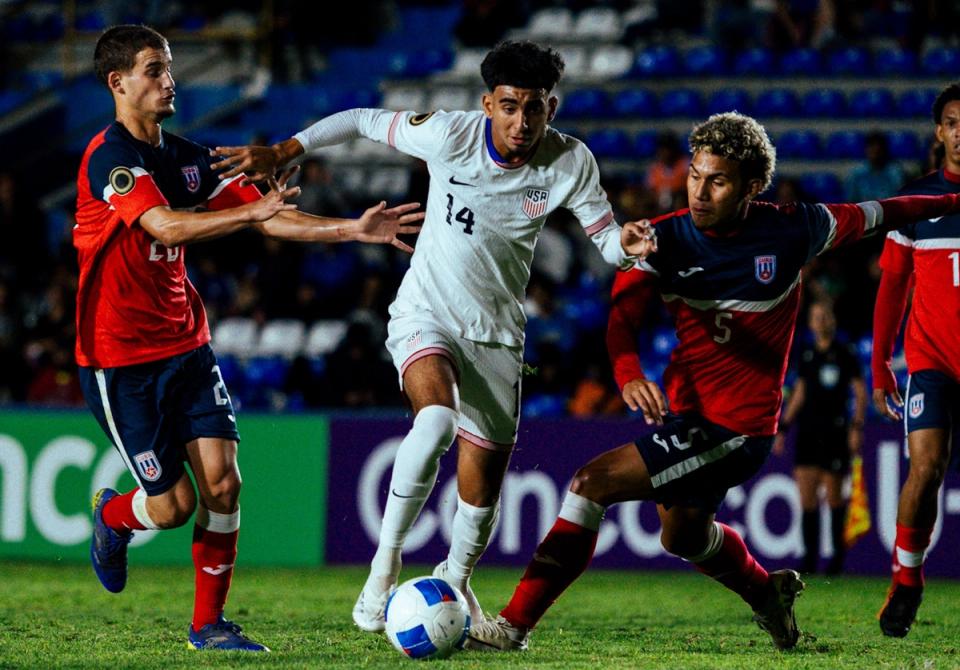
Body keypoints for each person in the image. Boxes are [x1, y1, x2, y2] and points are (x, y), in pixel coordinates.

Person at [463, 111, 960, 653]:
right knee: (683, 536)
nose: (699, 191)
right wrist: (628, 373)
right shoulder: (665, 238)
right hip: (690, 414)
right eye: (695, 175)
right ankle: (768, 594)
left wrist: (953, 199)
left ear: (751, 187)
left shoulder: (796, 228)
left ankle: (513, 625)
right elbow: (623, 317)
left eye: (717, 181)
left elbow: (889, 210)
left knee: (590, 484)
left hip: (737, 427)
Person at [210, 39, 653, 632]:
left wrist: (628, 247)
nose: (522, 122)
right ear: (487, 103)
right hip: (427, 314)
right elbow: (360, 119)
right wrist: (286, 148)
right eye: (509, 105)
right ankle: (384, 565)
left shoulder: (570, 161)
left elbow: (606, 240)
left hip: (497, 337)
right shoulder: (451, 135)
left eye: (536, 108)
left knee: (481, 490)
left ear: (553, 108)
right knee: (437, 420)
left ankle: (455, 579)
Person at [76, 24, 423, 652]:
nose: (168, 79)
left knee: (226, 483)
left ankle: (208, 626)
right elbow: (167, 227)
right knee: (174, 506)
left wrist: (353, 229)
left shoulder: (189, 157)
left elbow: (275, 217)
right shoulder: (109, 158)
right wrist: (248, 213)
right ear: (117, 82)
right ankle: (112, 517)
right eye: (154, 69)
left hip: (185, 344)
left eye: (170, 67)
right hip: (118, 358)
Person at [871, 82, 960, 638]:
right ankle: (906, 580)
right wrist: (880, 361)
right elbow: (892, 286)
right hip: (932, 363)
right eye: (954, 122)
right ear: (940, 132)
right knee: (925, 468)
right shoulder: (916, 202)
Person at [773, 300, 867, 575]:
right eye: (816, 317)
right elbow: (799, 392)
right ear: (811, 323)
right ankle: (809, 560)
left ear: (832, 321)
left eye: (825, 316)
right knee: (807, 498)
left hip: (835, 431)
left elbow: (859, 392)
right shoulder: (806, 353)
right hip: (808, 431)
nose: (821, 320)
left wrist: (856, 426)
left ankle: (837, 560)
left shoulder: (845, 353)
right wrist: (784, 427)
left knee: (835, 497)